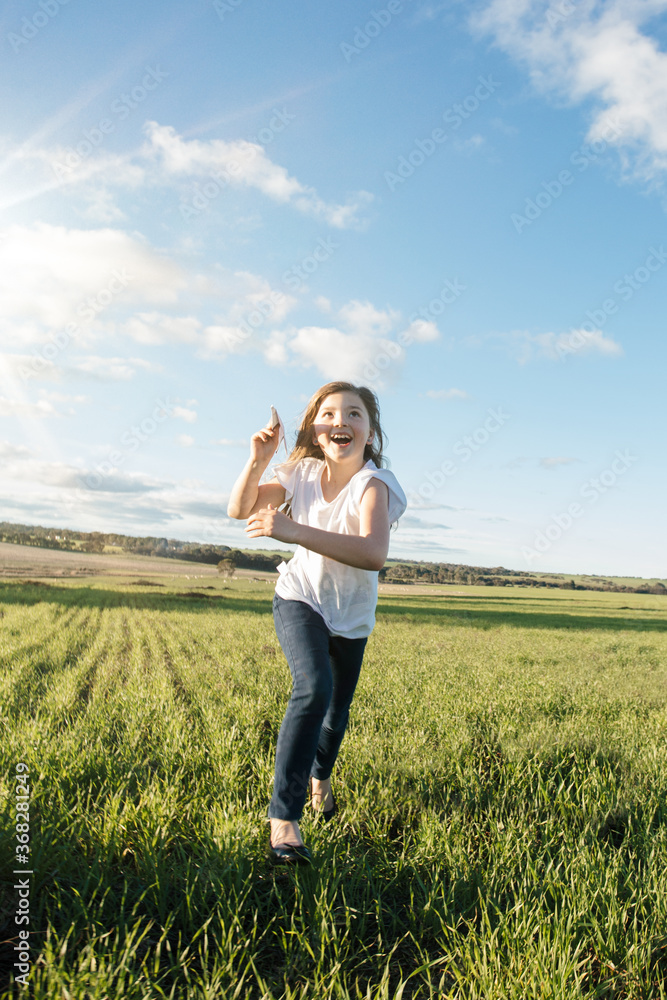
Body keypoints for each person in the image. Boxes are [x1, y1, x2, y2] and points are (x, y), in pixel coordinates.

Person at [227, 381, 407, 864]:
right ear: (315, 427)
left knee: (335, 715)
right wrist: (259, 458)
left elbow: (372, 553)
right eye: (330, 414)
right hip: (299, 596)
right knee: (313, 685)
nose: (341, 421)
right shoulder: (300, 472)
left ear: (370, 434)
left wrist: (292, 529)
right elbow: (239, 508)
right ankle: (284, 822)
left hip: (350, 617)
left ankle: (320, 776)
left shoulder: (377, 485)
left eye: (354, 414)